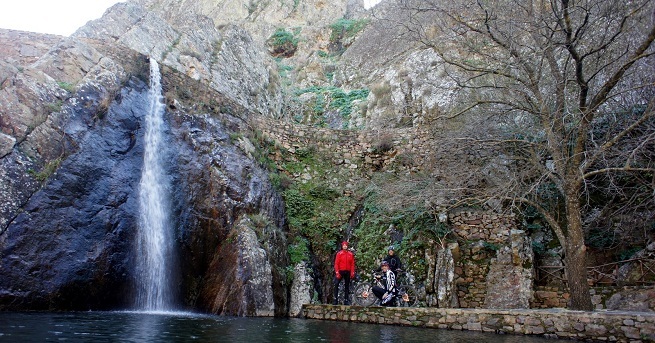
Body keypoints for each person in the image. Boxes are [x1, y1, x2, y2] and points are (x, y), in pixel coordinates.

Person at [333, 241, 355, 305]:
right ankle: (335, 299)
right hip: (340, 271)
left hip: (347, 271)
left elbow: (352, 264)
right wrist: (337, 272)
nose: (345, 246)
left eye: (346, 245)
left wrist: (352, 272)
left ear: (347, 246)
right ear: (342, 246)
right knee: (336, 284)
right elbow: (336, 264)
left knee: (347, 286)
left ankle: (346, 300)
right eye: (343, 245)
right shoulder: (339, 254)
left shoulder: (350, 254)